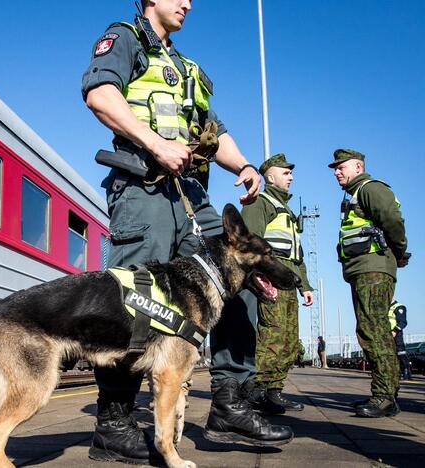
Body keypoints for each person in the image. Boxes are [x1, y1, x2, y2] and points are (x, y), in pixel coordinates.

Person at [81, 0, 290, 461]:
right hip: (142, 188)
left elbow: (216, 133)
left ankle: (230, 401)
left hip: (192, 196)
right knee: (135, 298)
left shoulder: (187, 67)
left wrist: (247, 165)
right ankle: (114, 420)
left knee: (244, 272)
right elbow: (100, 95)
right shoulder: (125, 39)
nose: (188, 4)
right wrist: (155, 142)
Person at [329, 148, 409, 417]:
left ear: (358, 167)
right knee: (368, 328)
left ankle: (385, 396)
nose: (337, 172)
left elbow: (393, 220)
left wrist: (398, 251)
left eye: (342, 167)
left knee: (374, 329)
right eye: (335, 168)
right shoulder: (354, 194)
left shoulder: (370, 189)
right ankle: (385, 394)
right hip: (362, 269)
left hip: (373, 268)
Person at [240, 154, 314, 413]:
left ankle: (274, 391)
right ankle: (258, 392)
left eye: (291, 173)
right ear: (270, 176)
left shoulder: (287, 211)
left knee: (289, 339)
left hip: (288, 281)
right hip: (271, 280)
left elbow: (297, 254)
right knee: (272, 335)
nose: (291, 177)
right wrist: (258, 276)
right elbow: (249, 243)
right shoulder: (260, 202)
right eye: (285, 173)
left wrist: (305, 285)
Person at [389, 300, 412, 381]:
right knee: (390, 355)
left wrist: (395, 331)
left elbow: (402, 322)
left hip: (396, 333)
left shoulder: (399, 307)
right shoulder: (385, 307)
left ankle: (406, 373)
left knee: (400, 353)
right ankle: (395, 374)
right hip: (386, 334)